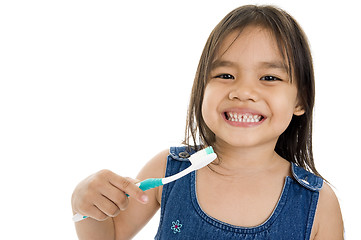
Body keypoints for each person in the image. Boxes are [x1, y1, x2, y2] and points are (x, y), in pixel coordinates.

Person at [71, 5, 344, 239]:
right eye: (225, 75)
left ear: (300, 100)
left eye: (269, 78)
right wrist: (85, 206)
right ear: (201, 88)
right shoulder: (169, 170)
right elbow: (111, 235)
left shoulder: (318, 203)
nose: (243, 92)